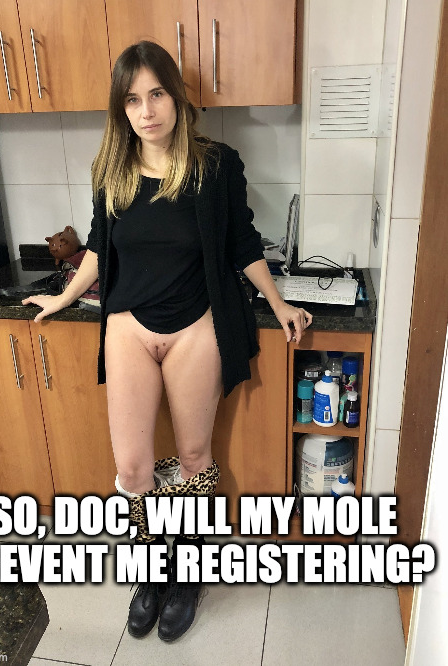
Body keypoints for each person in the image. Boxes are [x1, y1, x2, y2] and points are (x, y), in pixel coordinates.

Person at [23, 40, 312, 641]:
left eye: (156, 94)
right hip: (129, 325)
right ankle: (153, 568)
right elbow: (99, 246)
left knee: (194, 458)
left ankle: (189, 571)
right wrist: (65, 297)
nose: (147, 110)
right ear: (121, 109)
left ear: (176, 97)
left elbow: (241, 242)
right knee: (132, 467)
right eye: (132, 99)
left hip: (194, 326)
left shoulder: (215, 165)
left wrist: (280, 302)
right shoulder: (111, 169)